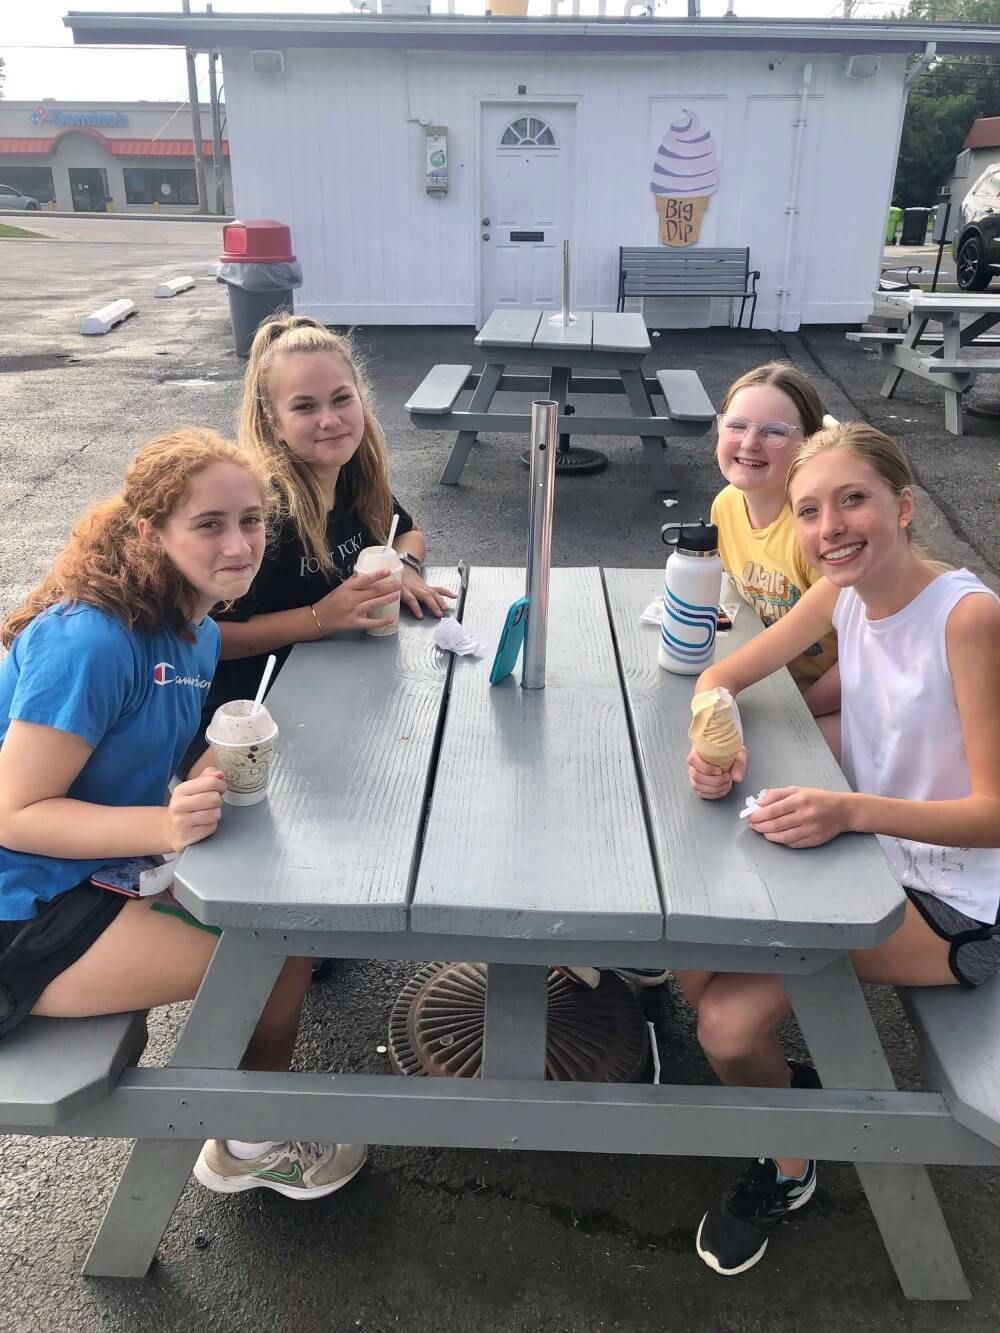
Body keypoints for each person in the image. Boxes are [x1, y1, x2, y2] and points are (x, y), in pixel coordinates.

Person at [0, 428, 366, 1200]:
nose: (239, 544)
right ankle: (243, 1143)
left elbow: (134, 763)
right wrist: (164, 824)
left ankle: (245, 1123)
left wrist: (205, 769)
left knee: (283, 927)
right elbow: (16, 812)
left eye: (252, 520)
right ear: (148, 533)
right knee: (269, 958)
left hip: (89, 876)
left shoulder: (193, 627)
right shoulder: (94, 640)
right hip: (22, 918)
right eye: (208, 524)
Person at [681, 421, 1000, 1277]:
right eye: (811, 509)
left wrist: (852, 810)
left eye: (852, 499)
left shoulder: (969, 618)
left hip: (953, 904)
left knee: (722, 1015)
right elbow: (724, 675)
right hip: (864, 857)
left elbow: (994, 813)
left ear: (902, 505)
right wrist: (720, 743)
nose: (831, 527)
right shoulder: (843, 591)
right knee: (685, 954)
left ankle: (790, 1162)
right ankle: (786, 1100)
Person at [204, 314, 456, 722]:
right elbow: (208, 636)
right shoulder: (265, 513)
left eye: (341, 399)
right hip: (252, 717)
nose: (329, 419)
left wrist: (404, 568)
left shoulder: (355, 482)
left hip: (339, 690)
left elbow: (409, 533)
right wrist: (319, 618)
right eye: (305, 406)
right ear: (276, 425)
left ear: (361, 398)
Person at [711, 362, 841, 752]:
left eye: (773, 432)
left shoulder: (822, 532)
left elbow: (866, 660)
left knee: (766, 763)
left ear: (810, 445)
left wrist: (801, 709)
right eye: (736, 426)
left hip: (846, 700)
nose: (750, 443)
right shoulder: (726, 506)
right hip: (777, 681)